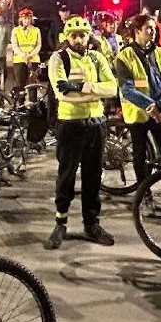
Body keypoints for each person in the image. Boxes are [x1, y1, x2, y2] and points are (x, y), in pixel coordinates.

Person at [45, 16, 118, 249]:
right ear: (67, 37)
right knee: (66, 176)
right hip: (70, 124)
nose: (78, 39)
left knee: (93, 176)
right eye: (74, 35)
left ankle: (91, 224)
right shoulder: (59, 58)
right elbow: (62, 93)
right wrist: (96, 92)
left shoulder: (97, 58)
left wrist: (83, 88)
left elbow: (112, 87)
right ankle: (60, 223)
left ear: (89, 36)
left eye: (82, 35)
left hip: (96, 123)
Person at [115, 13, 161, 210]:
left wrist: (160, 105)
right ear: (137, 31)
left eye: (153, 29)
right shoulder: (124, 57)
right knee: (140, 158)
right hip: (138, 115)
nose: (153, 32)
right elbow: (127, 89)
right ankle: (145, 195)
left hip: (160, 112)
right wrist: (150, 106)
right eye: (148, 29)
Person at [10, 8, 42, 91]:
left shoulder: (36, 30)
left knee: (33, 84)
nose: (26, 21)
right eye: (24, 18)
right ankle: (21, 103)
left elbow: (38, 45)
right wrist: (23, 55)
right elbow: (14, 45)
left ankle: (33, 102)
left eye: (28, 18)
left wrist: (31, 55)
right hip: (19, 60)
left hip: (33, 59)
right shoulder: (15, 30)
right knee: (20, 84)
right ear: (21, 19)